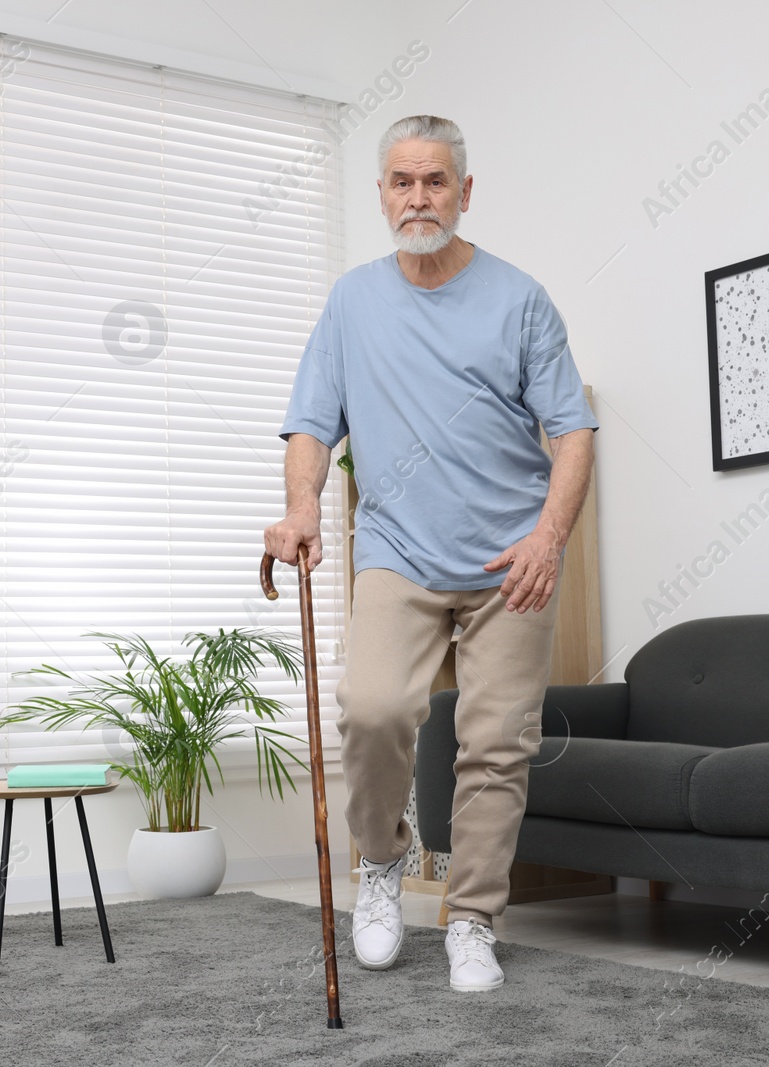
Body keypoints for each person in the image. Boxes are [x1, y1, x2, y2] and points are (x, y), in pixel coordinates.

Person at [263, 114, 598, 992]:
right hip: (398, 552)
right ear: (381, 194)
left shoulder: (519, 298)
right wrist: (302, 505)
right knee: (372, 710)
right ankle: (382, 864)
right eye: (402, 182)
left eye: (436, 181)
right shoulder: (352, 301)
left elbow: (572, 430)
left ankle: (473, 916)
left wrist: (549, 537)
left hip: (508, 565)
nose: (419, 197)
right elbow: (310, 423)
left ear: (465, 191)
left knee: (496, 744)